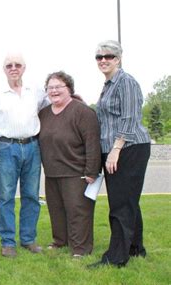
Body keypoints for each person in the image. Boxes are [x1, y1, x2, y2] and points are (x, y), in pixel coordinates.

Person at [88, 40, 151, 268]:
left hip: (129, 148)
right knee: (128, 200)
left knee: (121, 204)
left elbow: (129, 118)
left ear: (118, 58)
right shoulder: (108, 84)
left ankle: (116, 257)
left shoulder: (126, 82)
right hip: (115, 149)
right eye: (99, 57)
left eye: (109, 56)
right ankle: (135, 248)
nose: (103, 60)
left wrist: (116, 149)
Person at [0, 52, 48, 258]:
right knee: (6, 196)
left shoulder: (35, 90)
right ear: (4, 69)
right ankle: (8, 242)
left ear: (24, 68)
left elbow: (50, 108)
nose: (13, 68)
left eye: (18, 65)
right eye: (9, 65)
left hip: (33, 147)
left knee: (31, 196)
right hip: (7, 148)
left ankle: (28, 239)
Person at [38, 71, 101, 258]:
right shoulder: (44, 114)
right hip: (52, 172)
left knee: (78, 211)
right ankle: (60, 241)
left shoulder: (82, 112)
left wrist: (92, 171)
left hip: (77, 172)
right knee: (56, 210)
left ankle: (80, 249)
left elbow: (92, 142)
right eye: (50, 88)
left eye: (59, 87)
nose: (54, 91)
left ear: (69, 89)